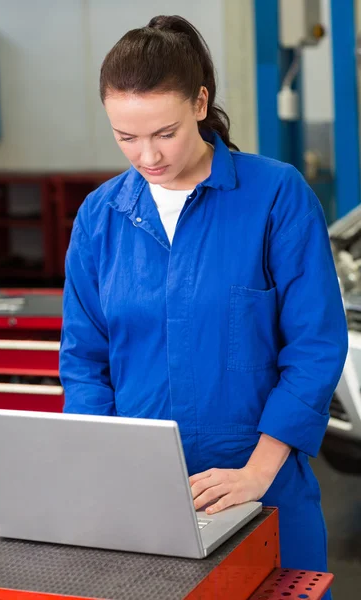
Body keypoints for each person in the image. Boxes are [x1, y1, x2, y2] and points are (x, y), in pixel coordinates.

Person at [59, 15, 348, 597]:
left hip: (261, 485)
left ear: (200, 102)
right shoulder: (101, 216)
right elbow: (85, 359)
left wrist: (258, 472)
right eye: (125, 137)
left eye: (163, 133)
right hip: (143, 497)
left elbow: (316, 345)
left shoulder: (275, 196)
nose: (146, 156)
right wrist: (103, 466)